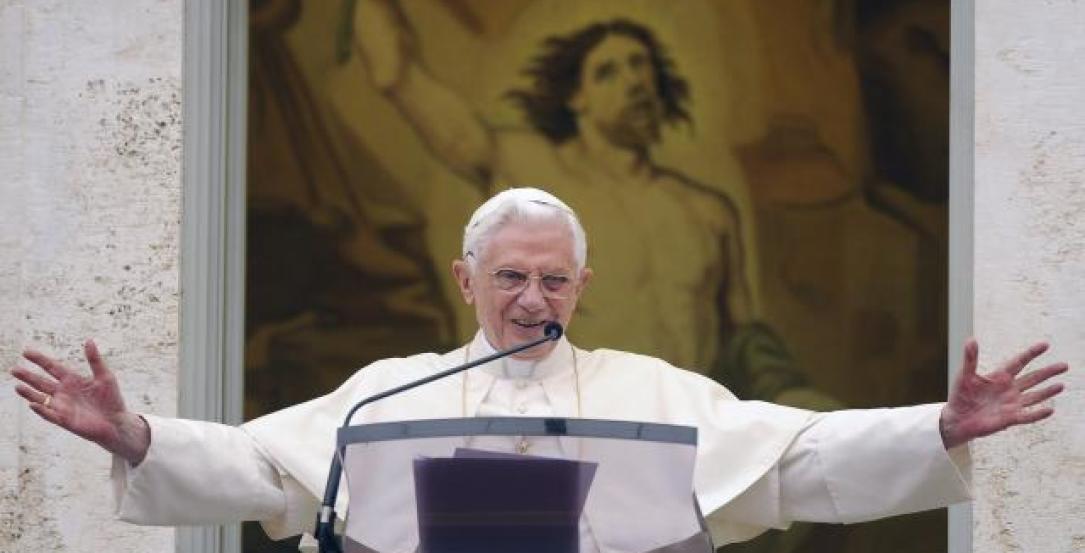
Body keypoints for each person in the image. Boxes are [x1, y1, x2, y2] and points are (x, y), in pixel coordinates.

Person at [10, 188, 1069, 551]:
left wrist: (938, 425)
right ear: (465, 278)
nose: (532, 299)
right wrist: (136, 435)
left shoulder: (646, 389)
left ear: (582, 283)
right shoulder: (392, 388)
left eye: (554, 280)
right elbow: (263, 471)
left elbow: (791, 458)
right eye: (511, 276)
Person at [350, 1, 829, 408]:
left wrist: (798, 399)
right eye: (610, 71)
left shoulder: (707, 211)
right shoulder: (528, 169)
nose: (635, 81)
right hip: (567, 426)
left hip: (676, 435)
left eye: (642, 67)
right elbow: (400, 79)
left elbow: (744, 337)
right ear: (577, 97)